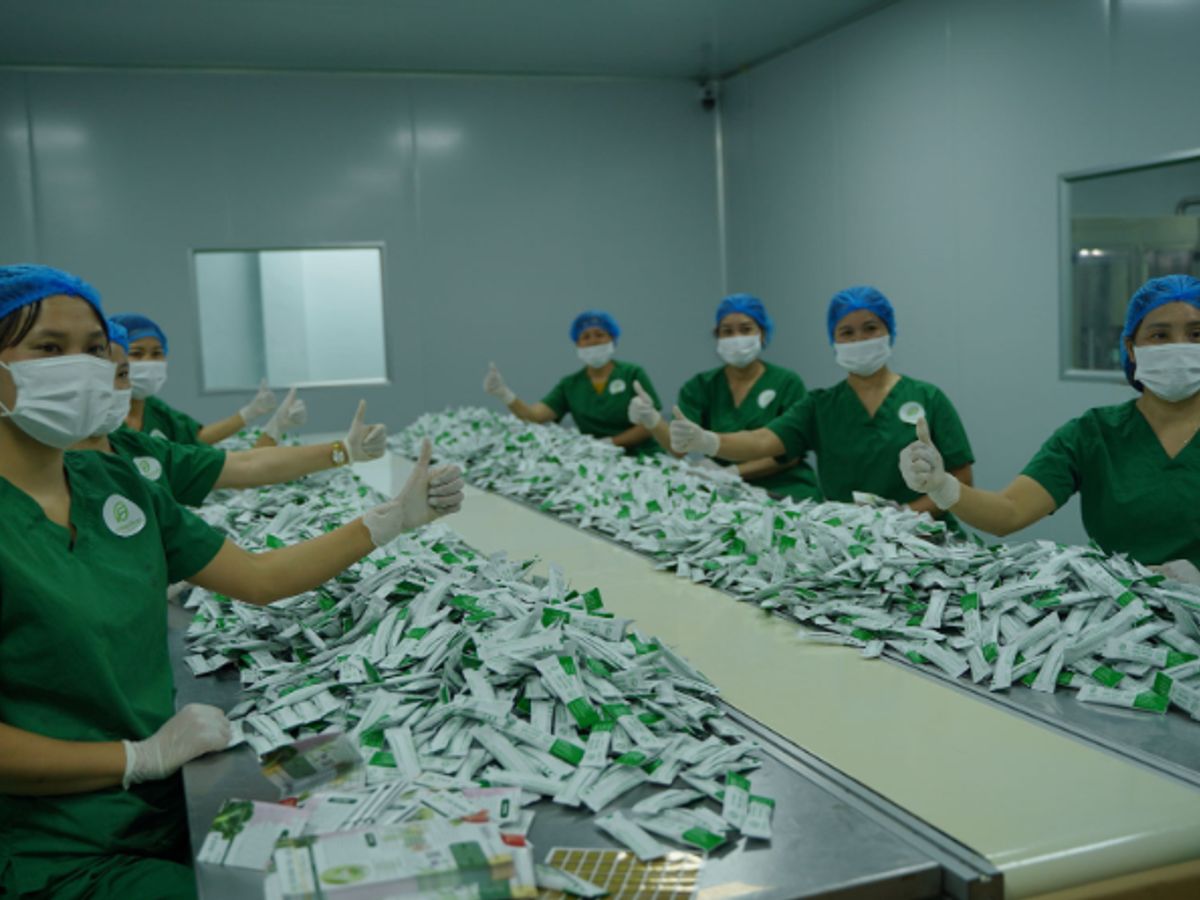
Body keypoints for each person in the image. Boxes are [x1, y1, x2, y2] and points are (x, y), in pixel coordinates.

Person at [0, 265, 463, 899]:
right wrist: (136, 759)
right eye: (49, 348)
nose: (81, 369)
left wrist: (389, 522)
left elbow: (260, 576)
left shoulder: (120, 486)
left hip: (164, 806)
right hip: (55, 845)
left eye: (92, 349)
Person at [901, 274, 1200, 580]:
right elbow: (1009, 511)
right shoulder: (1092, 434)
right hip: (1125, 614)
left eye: (1196, 335)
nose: (1180, 348)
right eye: (1160, 336)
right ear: (1131, 348)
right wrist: (941, 486)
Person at [668, 286, 975, 513]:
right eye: (847, 332)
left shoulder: (928, 398)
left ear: (889, 332)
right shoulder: (819, 406)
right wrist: (708, 441)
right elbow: (763, 442)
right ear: (834, 341)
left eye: (871, 328)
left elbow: (962, 478)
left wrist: (907, 516)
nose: (859, 340)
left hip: (926, 536)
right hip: (849, 538)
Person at [72, 321, 389, 507]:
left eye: (124, 374)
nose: (149, 364)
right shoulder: (68, 467)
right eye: (137, 355)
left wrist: (342, 450)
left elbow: (241, 466)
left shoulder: (142, 446)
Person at [627, 294, 820, 500]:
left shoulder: (787, 382)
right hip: (723, 492)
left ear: (762, 333)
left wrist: (733, 472)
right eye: (727, 331)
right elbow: (679, 448)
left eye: (746, 329)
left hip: (785, 489)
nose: (736, 337)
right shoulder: (701, 386)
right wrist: (653, 419)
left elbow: (791, 452)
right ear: (717, 337)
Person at [483, 310, 662, 455]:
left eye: (600, 335)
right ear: (577, 344)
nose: (593, 341)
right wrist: (504, 394)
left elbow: (652, 423)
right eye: (585, 337)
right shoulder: (571, 385)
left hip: (644, 456)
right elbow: (534, 416)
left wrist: (612, 443)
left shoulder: (632, 374)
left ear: (612, 339)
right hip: (598, 461)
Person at [109, 312, 278, 445]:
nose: (149, 363)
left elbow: (195, 439)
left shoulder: (155, 410)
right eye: (136, 354)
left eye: (157, 354)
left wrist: (250, 413)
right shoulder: (102, 418)